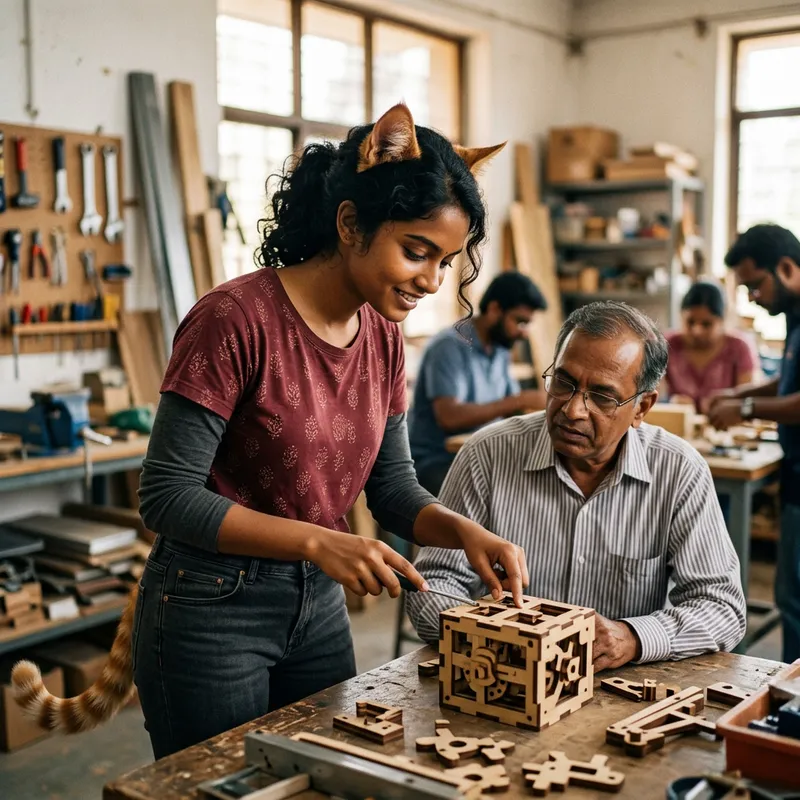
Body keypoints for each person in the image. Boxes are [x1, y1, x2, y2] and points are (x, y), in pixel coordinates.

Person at [11, 105, 530, 757]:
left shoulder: (383, 337)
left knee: (326, 773)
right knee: (220, 784)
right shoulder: (233, 320)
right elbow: (167, 497)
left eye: (446, 261)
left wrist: (463, 532)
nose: (431, 280)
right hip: (208, 607)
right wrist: (319, 543)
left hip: (316, 603)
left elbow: (392, 486)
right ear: (349, 223)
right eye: (416, 252)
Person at [407, 301, 746, 671]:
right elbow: (433, 583)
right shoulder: (487, 455)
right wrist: (497, 641)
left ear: (642, 408)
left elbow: (721, 607)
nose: (573, 410)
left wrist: (632, 638)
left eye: (602, 396)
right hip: (498, 674)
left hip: (618, 688)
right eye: (563, 383)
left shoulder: (679, 471)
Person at [709, 223, 800, 662]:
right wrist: (738, 395)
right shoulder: (796, 318)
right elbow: (788, 384)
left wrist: (742, 411)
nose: (752, 298)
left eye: (755, 285)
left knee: (796, 603)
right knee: (791, 597)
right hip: (795, 475)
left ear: (786, 267)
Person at [409, 272, 548, 494]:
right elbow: (450, 417)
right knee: (506, 495)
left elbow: (513, 410)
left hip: (474, 455)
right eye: (520, 321)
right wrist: (520, 399)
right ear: (494, 310)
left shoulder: (499, 348)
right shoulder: (448, 347)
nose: (523, 333)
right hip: (435, 462)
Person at [663, 281, 756, 413]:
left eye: (706, 324)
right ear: (681, 317)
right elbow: (650, 394)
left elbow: (746, 398)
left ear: (722, 321)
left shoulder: (738, 347)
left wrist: (729, 405)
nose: (697, 331)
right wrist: (670, 402)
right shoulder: (667, 345)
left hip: (724, 428)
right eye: (690, 322)